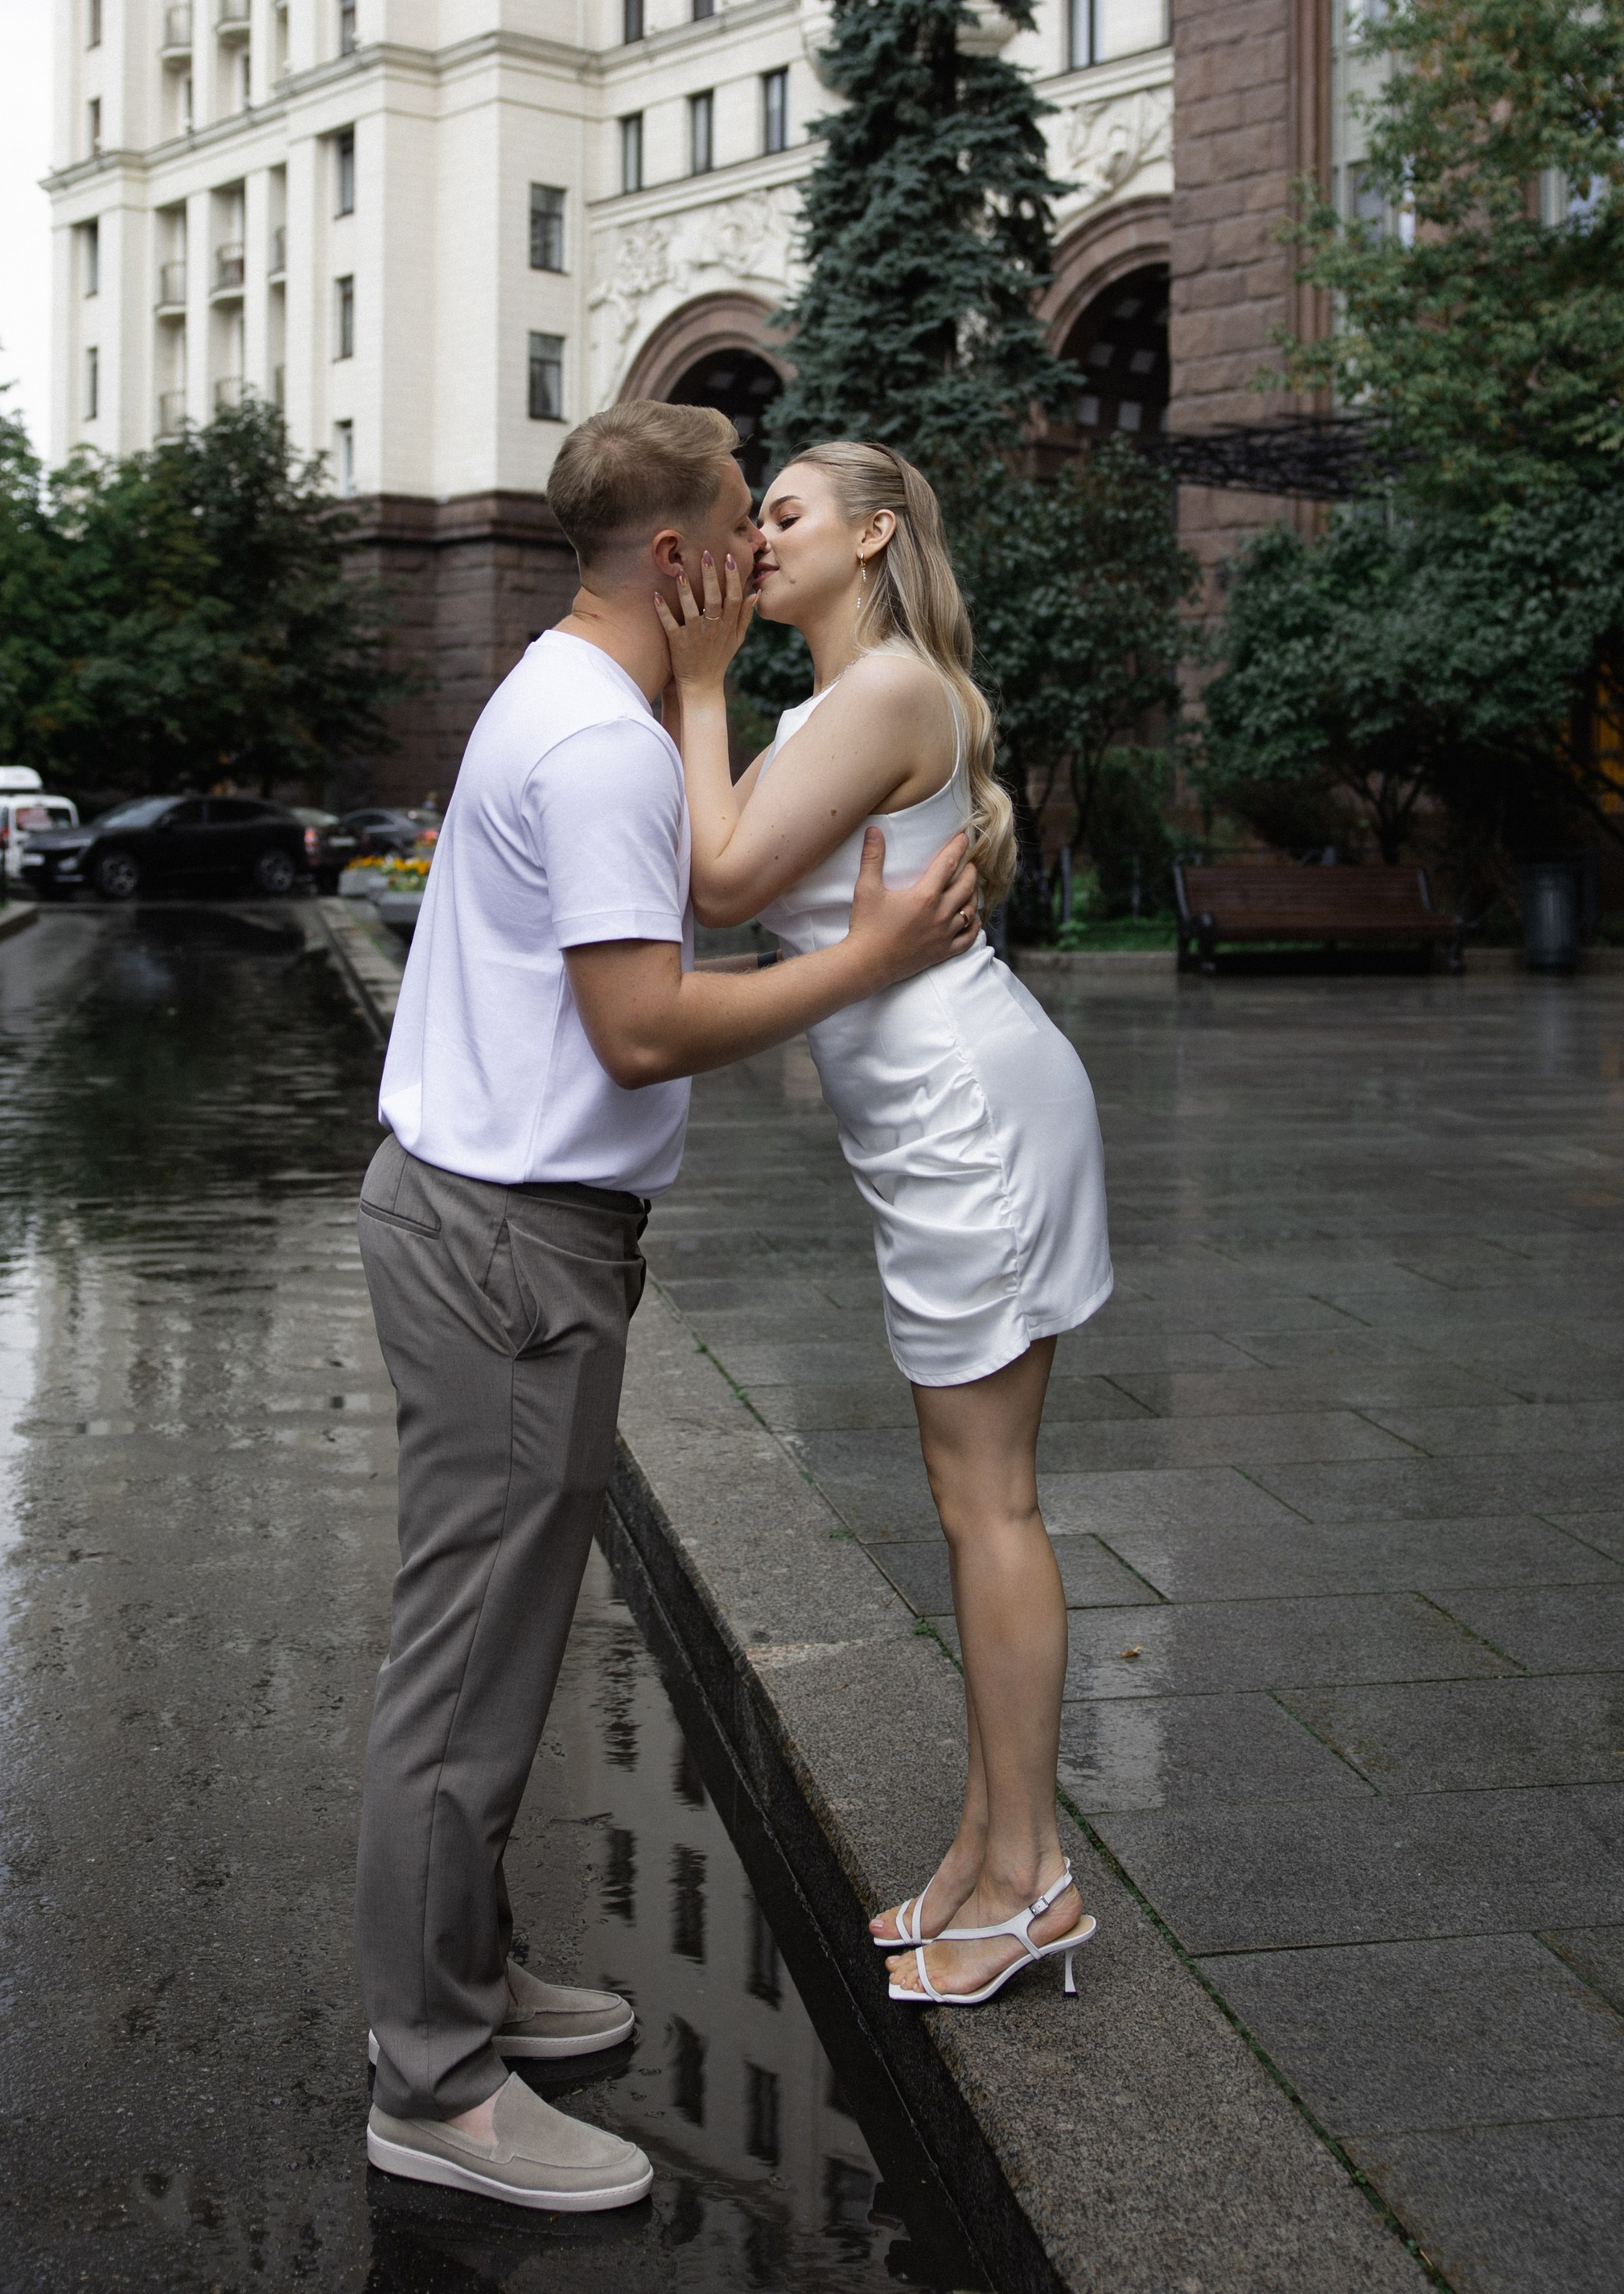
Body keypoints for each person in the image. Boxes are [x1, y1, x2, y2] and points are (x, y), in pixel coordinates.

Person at [356, 401, 981, 2210]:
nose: (757, 549)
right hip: (507, 1246)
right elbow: (640, 1023)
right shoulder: (605, 751)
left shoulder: (557, 692)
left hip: (482, 1220)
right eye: (737, 517)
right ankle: (435, 2086)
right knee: (461, 1684)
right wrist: (863, 960)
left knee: (481, 1657)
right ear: (674, 562)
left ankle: (457, 1984)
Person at [659, 438, 1114, 2012]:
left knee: (989, 1503)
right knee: (965, 1492)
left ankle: (1032, 1880)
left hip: (966, 1124)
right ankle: (985, 1853)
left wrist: (698, 676)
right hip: (943, 1115)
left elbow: (718, 881)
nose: (753, 534)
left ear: (871, 536)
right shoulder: (849, 700)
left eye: (781, 513)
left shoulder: (879, 695)